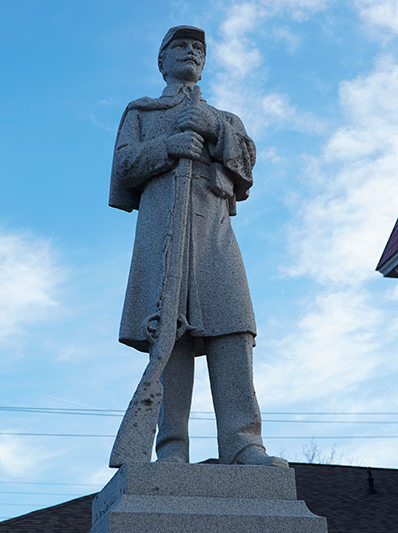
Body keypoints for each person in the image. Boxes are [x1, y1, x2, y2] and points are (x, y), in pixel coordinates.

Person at [109, 25, 287, 467]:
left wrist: (214, 130)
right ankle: (172, 448)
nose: (191, 52)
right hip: (162, 239)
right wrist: (169, 145)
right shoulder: (142, 112)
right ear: (163, 61)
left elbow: (246, 166)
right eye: (180, 46)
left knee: (235, 328)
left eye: (198, 49)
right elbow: (122, 166)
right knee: (171, 336)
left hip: (214, 238)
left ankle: (244, 443)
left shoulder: (225, 118)